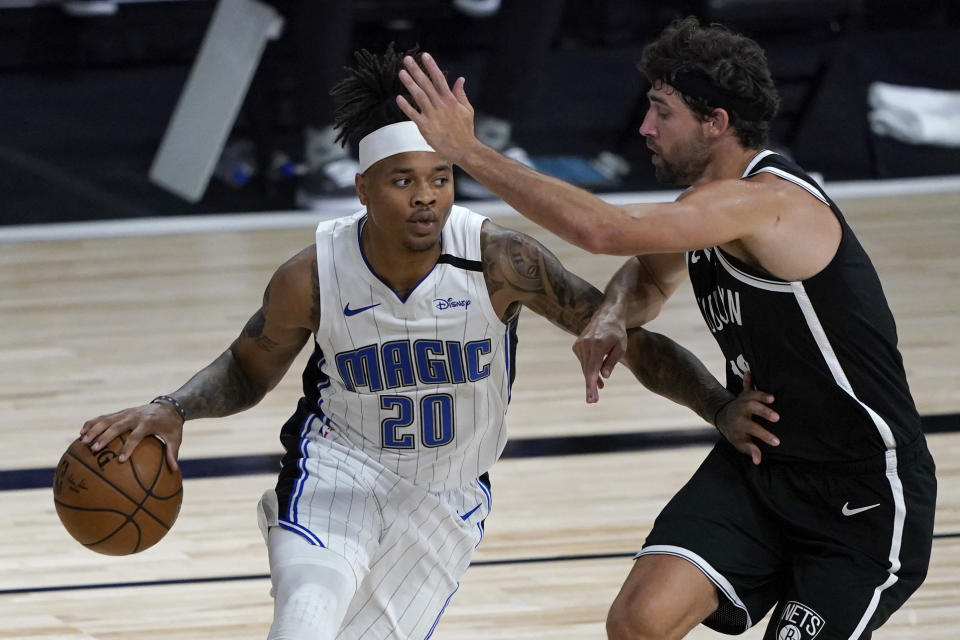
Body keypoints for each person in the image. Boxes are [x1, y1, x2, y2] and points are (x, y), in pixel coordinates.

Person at [79, 45, 773, 640]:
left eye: (439, 179)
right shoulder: (312, 274)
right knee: (305, 618)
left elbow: (627, 338)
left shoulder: (501, 261)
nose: (425, 198)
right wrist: (174, 408)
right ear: (362, 189)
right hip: (338, 477)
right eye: (403, 181)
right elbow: (248, 365)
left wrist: (717, 405)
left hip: (445, 499)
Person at [396, 17, 937, 640]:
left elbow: (603, 232)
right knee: (639, 622)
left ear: (716, 123)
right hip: (763, 463)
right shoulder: (705, 208)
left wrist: (468, 153)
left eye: (662, 111)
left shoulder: (763, 203)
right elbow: (648, 278)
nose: (645, 128)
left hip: (861, 494)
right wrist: (612, 314)